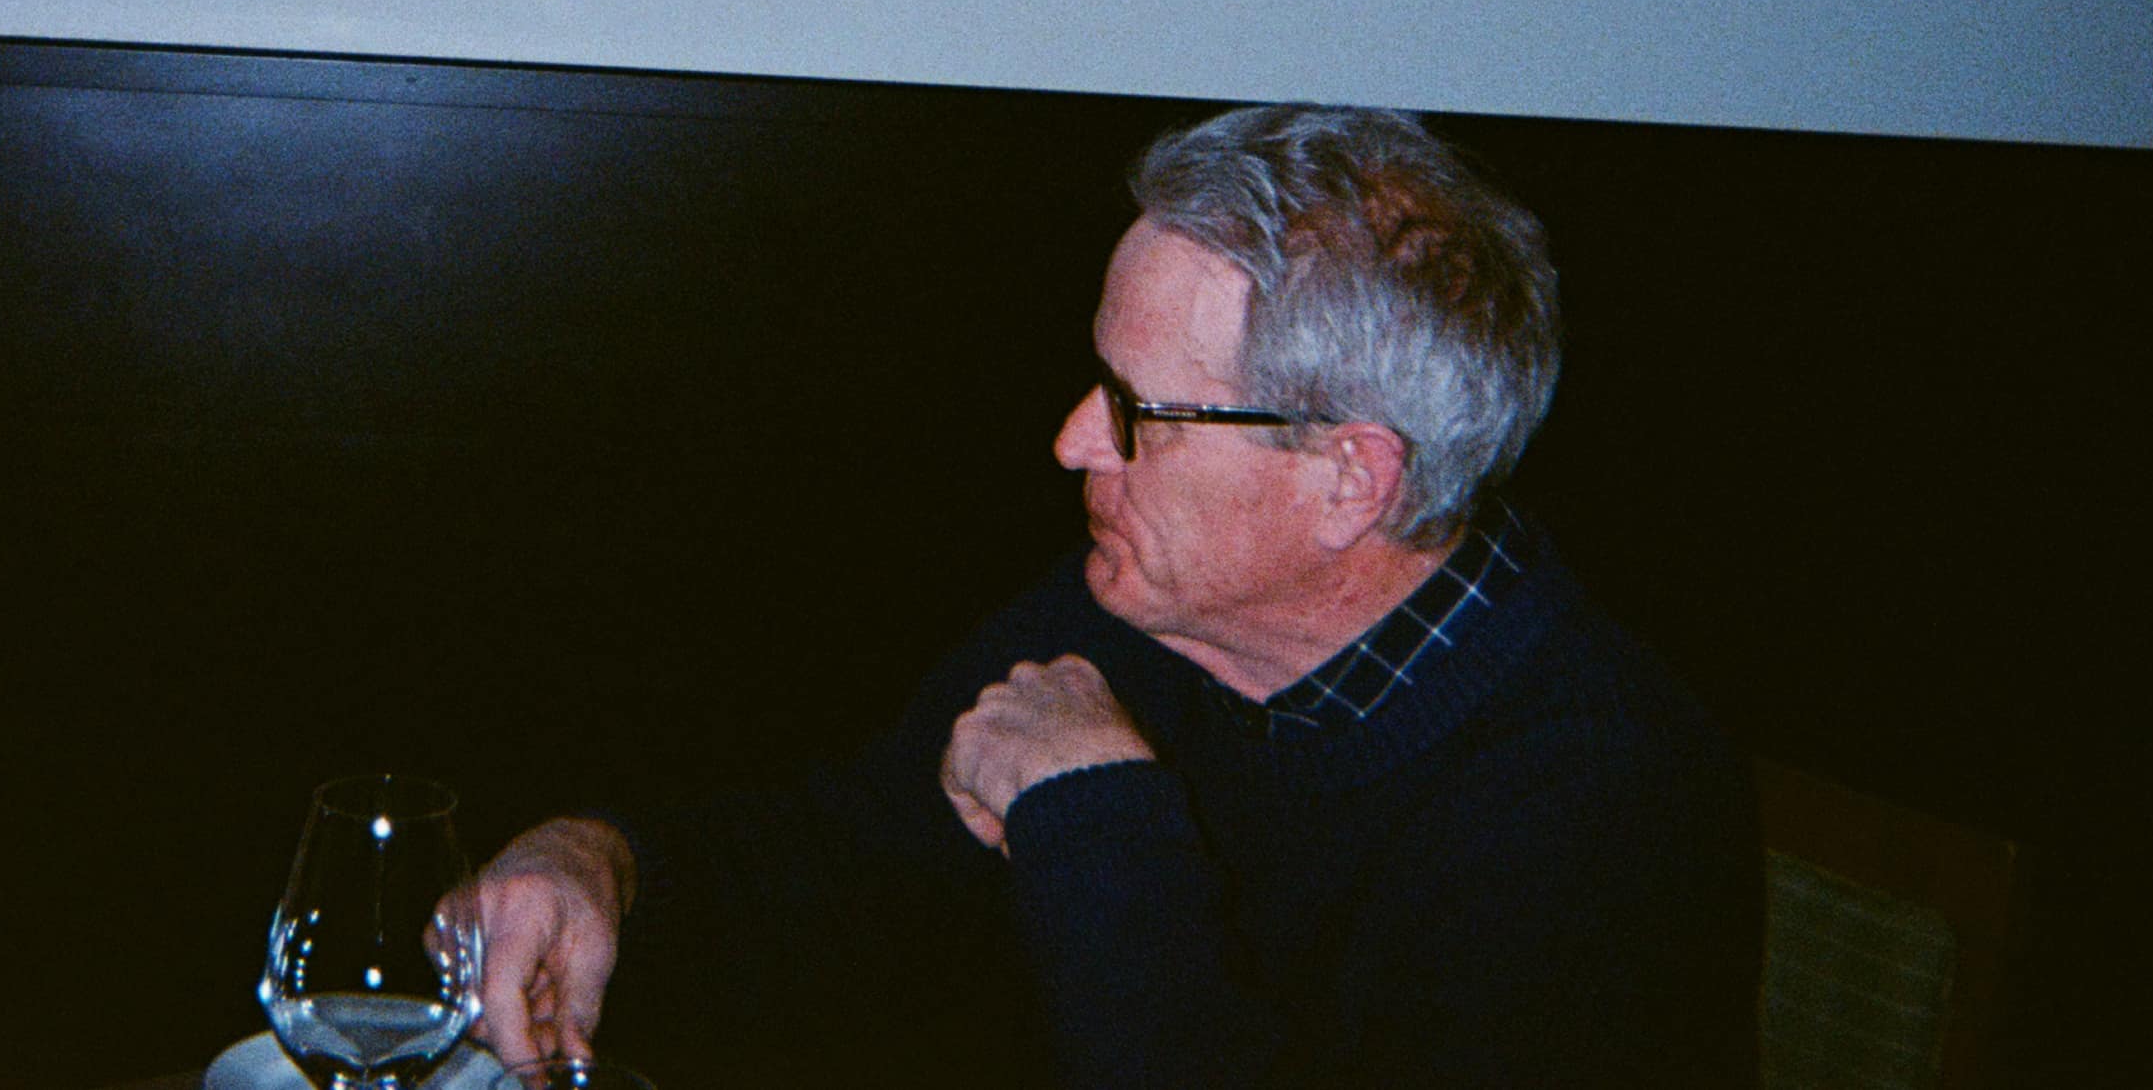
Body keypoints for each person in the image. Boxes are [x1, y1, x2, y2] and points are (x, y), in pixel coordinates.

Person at [472, 105, 1757, 1089]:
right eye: (1100, 379)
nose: (1077, 439)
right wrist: (603, 861)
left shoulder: (1600, 806)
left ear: (1345, 479)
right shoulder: (1139, 609)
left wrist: (1094, 816)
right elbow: (853, 850)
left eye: (1140, 408)